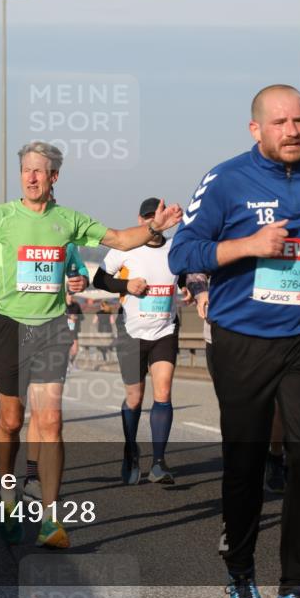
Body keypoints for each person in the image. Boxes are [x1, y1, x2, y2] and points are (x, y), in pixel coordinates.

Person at [0, 139, 182, 550]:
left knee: (50, 422)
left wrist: (155, 227)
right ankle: (8, 498)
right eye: (26, 170)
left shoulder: (68, 220)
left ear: (54, 177)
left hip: (51, 327)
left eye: (40, 170)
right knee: (12, 422)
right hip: (9, 327)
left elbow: (121, 240)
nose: (32, 177)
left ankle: (51, 520)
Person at [169, 84, 300, 598]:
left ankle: (297, 583)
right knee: (245, 462)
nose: (293, 131)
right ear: (256, 129)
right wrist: (248, 245)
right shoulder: (226, 178)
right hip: (242, 339)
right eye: (281, 123)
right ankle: (240, 571)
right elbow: (182, 253)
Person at [94, 197, 182, 486]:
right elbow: (99, 280)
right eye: (146, 217)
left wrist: (194, 290)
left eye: (155, 216)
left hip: (164, 330)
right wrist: (125, 285)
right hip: (131, 332)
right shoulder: (126, 248)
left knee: (164, 391)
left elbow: (183, 279)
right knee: (134, 397)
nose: (150, 222)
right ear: (141, 218)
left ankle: (159, 462)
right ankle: (131, 450)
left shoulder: (174, 250)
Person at [0, 242, 90, 423]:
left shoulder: (63, 232)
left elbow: (79, 268)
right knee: (9, 415)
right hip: (2, 332)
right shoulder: (4, 240)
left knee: (48, 418)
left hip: (48, 328)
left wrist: (83, 279)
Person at [66, 291, 84, 371]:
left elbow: (82, 317)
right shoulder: (62, 306)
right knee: (66, 349)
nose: (70, 297)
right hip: (64, 330)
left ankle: (71, 362)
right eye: (69, 296)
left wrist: (76, 317)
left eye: (71, 296)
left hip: (74, 330)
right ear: (65, 296)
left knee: (75, 349)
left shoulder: (76, 305)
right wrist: (69, 317)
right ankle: (66, 366)